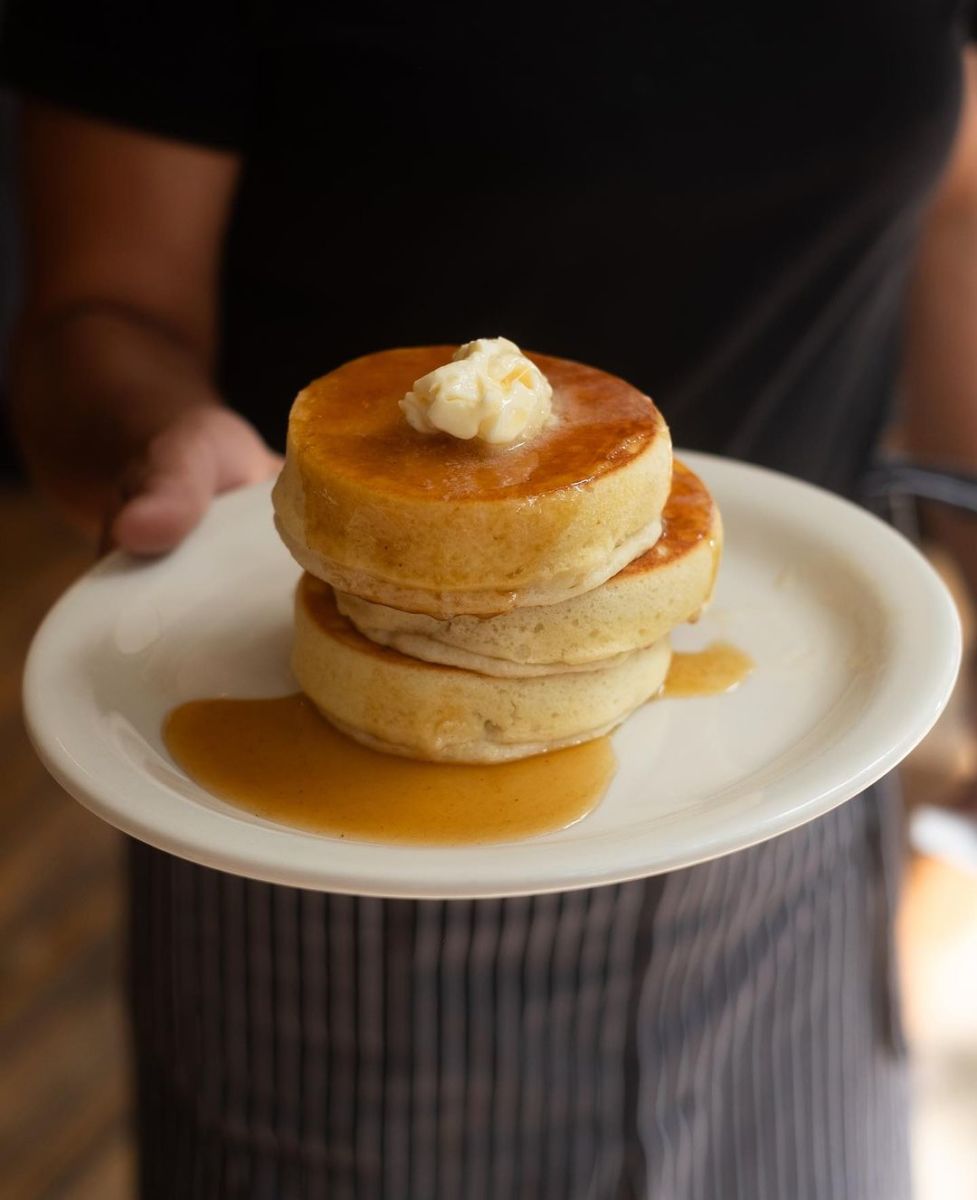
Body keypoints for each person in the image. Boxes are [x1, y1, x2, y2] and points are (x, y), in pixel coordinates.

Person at [2, 4, 976, 1197]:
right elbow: (97, 309)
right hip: (332, 862)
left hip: (784, 773)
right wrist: (155, 440)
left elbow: (957, 199)